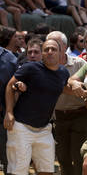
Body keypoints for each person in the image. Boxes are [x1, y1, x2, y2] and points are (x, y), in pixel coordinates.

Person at [4, 39, 70, 175]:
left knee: (47, 171)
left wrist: (79, 87)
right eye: (46, 50)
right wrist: (9, 112)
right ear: (43, 54)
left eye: (53, 49)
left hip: (45, 129)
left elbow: (64, 87)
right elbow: (10, 86)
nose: (50, 52)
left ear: (61, 53)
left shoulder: (63, 73)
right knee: (18, 172)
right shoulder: (30, 68)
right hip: (21, 127)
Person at [46, 30, 87, 175]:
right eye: (49, 45)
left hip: (80, 115)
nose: (52, 48)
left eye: (56, 45)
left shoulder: (79, 64)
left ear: (64, 47)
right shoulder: (43, 66)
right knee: (63, 158)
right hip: (58, 117)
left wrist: (79, 89)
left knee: (79, 156)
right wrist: (72, 87)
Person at [0, 47, 17, 175]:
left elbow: (15, 89)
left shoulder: (9, 59)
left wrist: (9, 111)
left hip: (3, 120)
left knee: (9, 161)